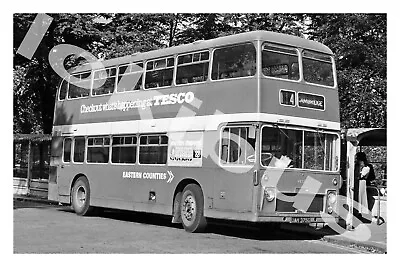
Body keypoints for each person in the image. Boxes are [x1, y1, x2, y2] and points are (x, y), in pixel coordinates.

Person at [355, 152, 374, 219]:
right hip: (357, 183)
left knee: (361, 196)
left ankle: (361, 211)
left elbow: (360, 176)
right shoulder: (357, 166)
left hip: (362, 183)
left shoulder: (366, 168)